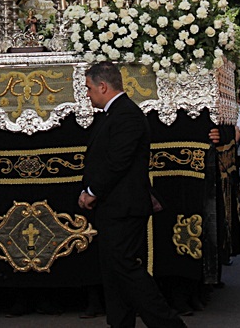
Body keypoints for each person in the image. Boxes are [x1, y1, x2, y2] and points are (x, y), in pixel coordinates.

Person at [78, 61, 186, 328]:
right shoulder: (115, 114)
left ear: (103, 86)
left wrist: (92, 191)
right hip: (114, 206)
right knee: (114, 273)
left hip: (123, 207)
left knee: (127, 270)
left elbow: (118, 161)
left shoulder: (126, 114)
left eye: (89, 88)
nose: (87, 94)